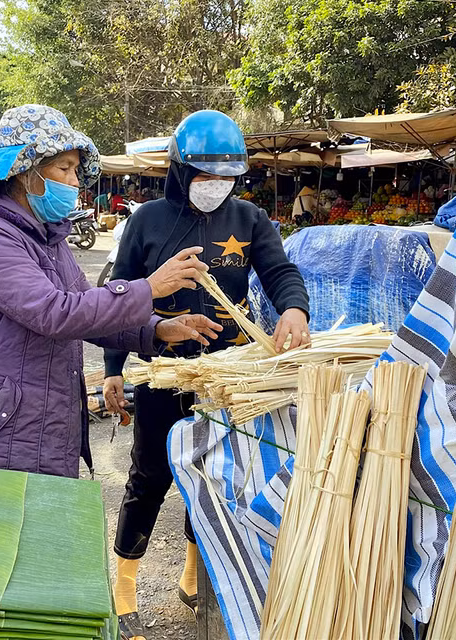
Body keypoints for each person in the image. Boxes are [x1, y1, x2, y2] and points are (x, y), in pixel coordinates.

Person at [102, 110, 310, 640]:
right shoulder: (147, 220)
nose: (215, 187)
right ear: (178, 169)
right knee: (149, 475)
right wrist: (112, 371)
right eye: (204, 175)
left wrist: (294, 310)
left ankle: (195, 574)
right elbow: (116, 298)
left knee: (213, 475)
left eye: (226, 177)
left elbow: (282, 273)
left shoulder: (250, 221)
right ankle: (124, 585)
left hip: (227, 377)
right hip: (161, 371)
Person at [0, 104, 221, 486]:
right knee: (0, 538)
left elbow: (86, 308)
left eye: (75, 170)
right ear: (25, 171)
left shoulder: (45, 235)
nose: (74, 181)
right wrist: (149, 287)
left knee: (41, 535)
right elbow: (55, 313)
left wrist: (155, 330)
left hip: (41, 419)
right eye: (63, 168)